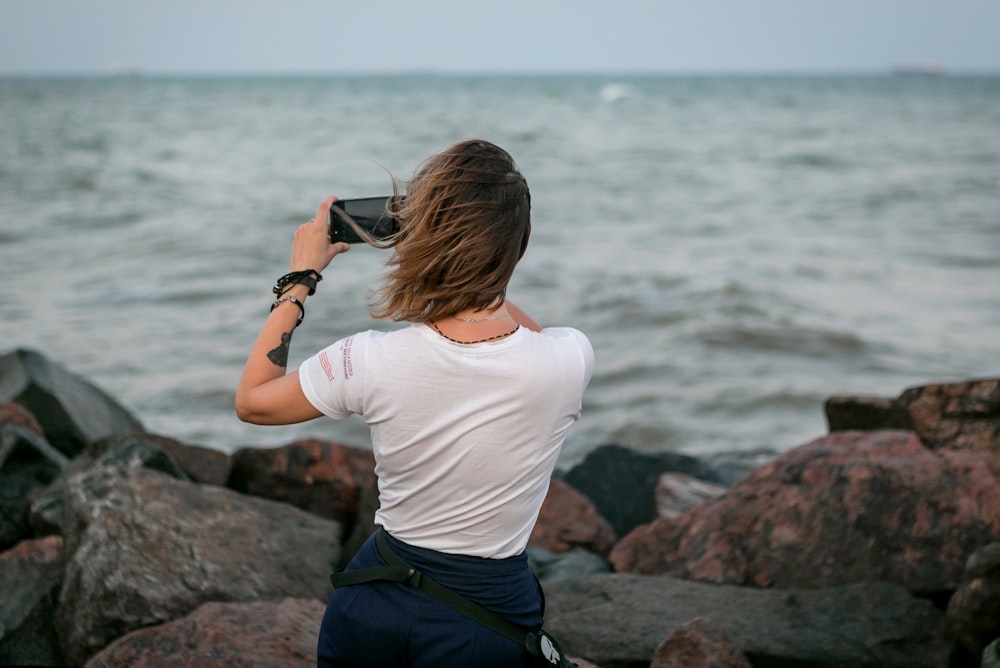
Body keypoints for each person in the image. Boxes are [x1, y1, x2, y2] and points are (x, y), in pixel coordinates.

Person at [235, 139, 594, 667]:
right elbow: (525, 334)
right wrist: (467, 260)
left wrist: (301, 280)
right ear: (524, 240)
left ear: (422, 237)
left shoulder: (369, 359)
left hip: (369, 605)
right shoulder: (569, 359)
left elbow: (253, 401)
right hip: (483, 620)